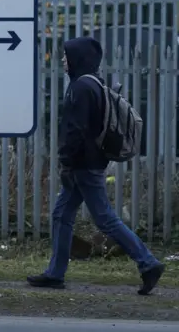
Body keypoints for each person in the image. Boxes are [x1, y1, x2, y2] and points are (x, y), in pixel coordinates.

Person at [27, 36, 165, 295]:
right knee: (62, 214)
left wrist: (66, 162)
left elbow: (76, 131)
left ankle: (148, 263)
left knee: (104, 218)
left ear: (78, 58)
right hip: (87, 163)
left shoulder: (81, 88)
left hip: (83, 165)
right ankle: (55, 274)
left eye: (67, 56)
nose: (63, 60)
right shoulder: (93, 84)